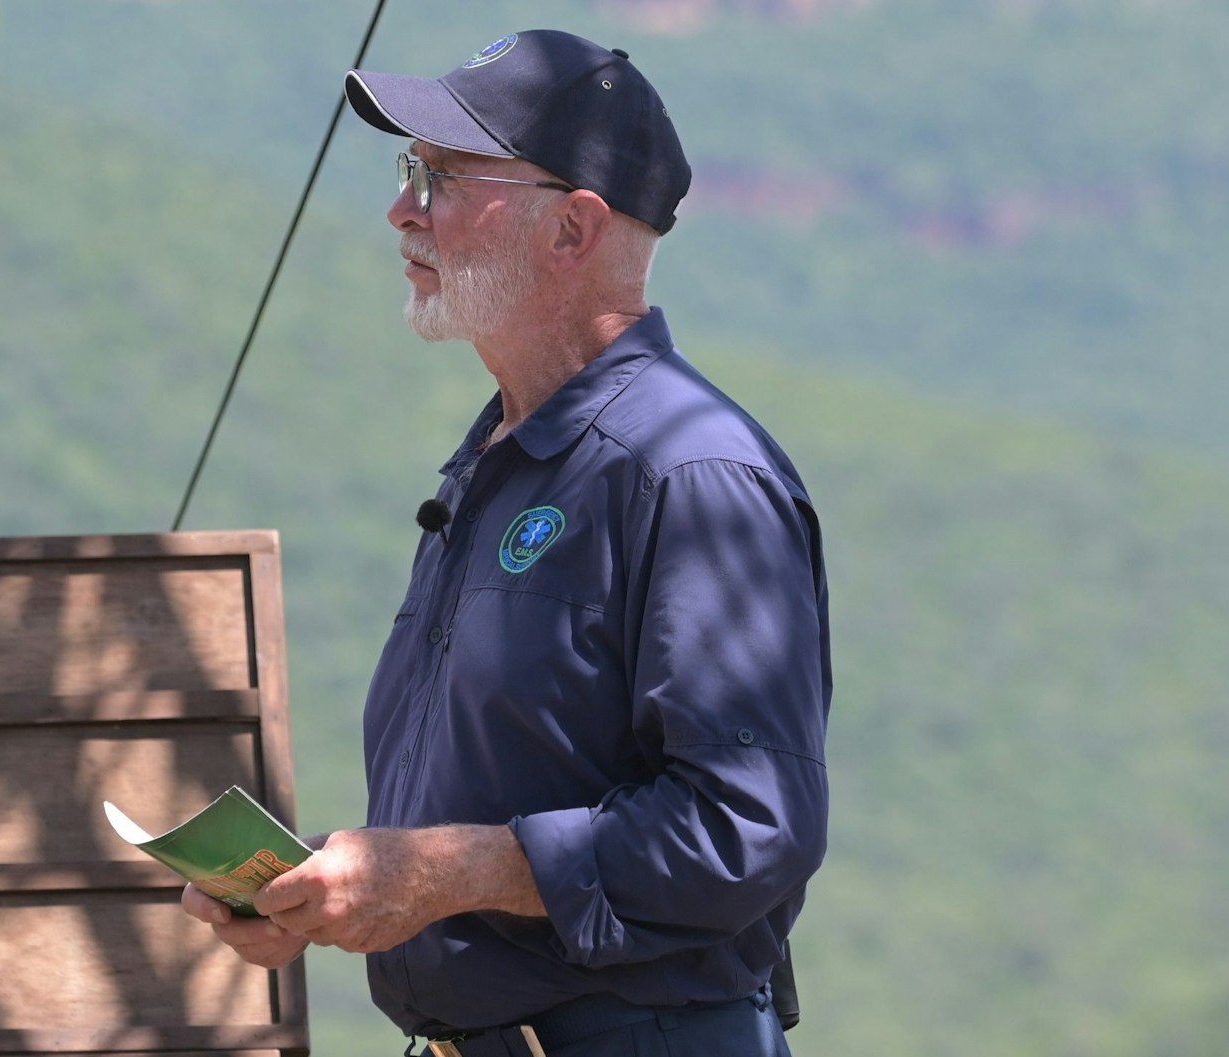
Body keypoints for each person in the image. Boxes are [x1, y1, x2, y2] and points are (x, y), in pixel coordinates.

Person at [182, 29, 831, 1057]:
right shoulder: (500, 455)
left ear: (571, 229)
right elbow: (497, 792)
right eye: (410, 173)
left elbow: (742, 831)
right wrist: (329, 885)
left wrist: (438, 872)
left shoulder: (691, 472)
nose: (402, 208)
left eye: (441, 177)